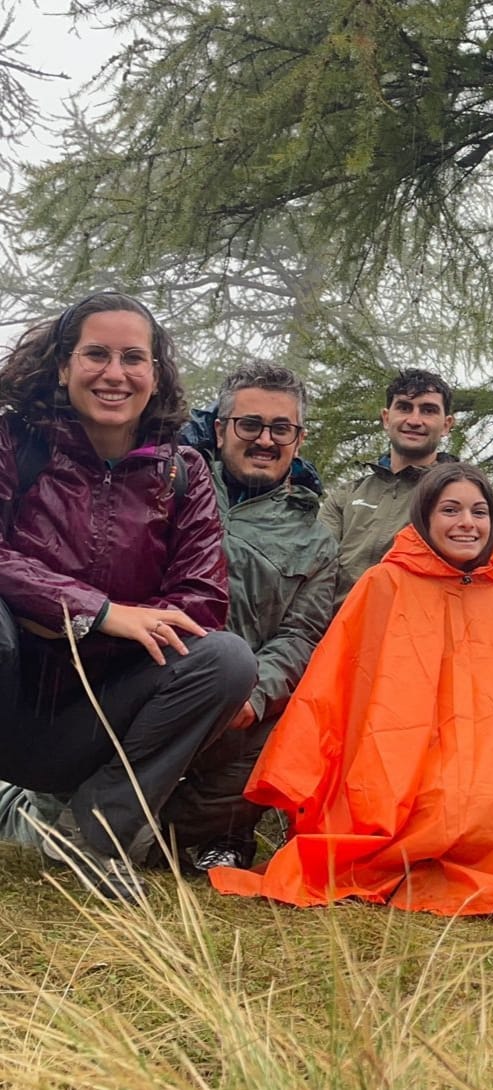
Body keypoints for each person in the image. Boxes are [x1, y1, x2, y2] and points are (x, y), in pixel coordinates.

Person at [209, 462, 493, 915]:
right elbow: (336, 689)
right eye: (451, 510)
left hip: (489, 778)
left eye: (480, 512)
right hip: (398, 777)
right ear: (424, 517)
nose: (467, 523)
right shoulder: (383, 584)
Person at [0, 291, 255, 902]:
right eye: (96, 354)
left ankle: (93, 837)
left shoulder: (184, 472)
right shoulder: (16, 440)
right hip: (11, 696)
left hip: (103, 715)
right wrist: (93, 613)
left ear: (156, 374)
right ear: (63, 366)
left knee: (226, 659)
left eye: (133, 358)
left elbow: (199, 603)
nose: (114, 374)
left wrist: (115, 632)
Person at [161, 361, 339, 871]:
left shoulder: (314, 538)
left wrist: (255, 693)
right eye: (250, 424)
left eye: (281, 428)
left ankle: (157, 834)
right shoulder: (170, 484)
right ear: (220, 430)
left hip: (233, 705)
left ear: (298, 439)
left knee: (298, 741)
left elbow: (301, 632)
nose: (266, 439)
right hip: (144, 681)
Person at [319, 368, 457, 595]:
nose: (414, 420)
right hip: (339, 624)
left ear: (446, 425)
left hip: (416, 624)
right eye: (404, 407)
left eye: (428, 410)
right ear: (386, 418)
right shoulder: (345, 498)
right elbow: (315, 573)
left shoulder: (460, 498)